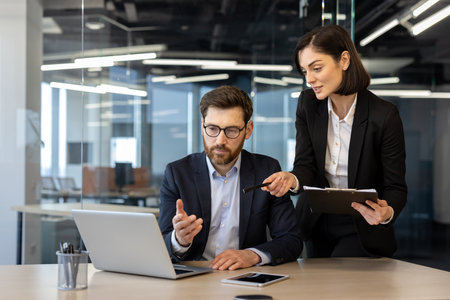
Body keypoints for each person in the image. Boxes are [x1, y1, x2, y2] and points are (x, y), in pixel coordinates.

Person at [262, 24, 407, 258]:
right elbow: (305, 166)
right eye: (304, 71)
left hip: (361, 226)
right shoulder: (308, 105)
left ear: (344, 60)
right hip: (316, 221)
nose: (309, 79)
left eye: (316, 68)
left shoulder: (384, 115)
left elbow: (396, 187)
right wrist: (292, 178)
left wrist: (386, 211)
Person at [158, 85, 302, 271]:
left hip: (245, 274)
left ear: (248, 130)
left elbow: (292, 239)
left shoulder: (267, 170)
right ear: (202, 125)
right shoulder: (177, 173)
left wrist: (252, 255)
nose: (220, 140)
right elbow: (163, 243)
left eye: (232, 130)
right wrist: (180, 240)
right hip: (193, 277)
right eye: (212, 128)